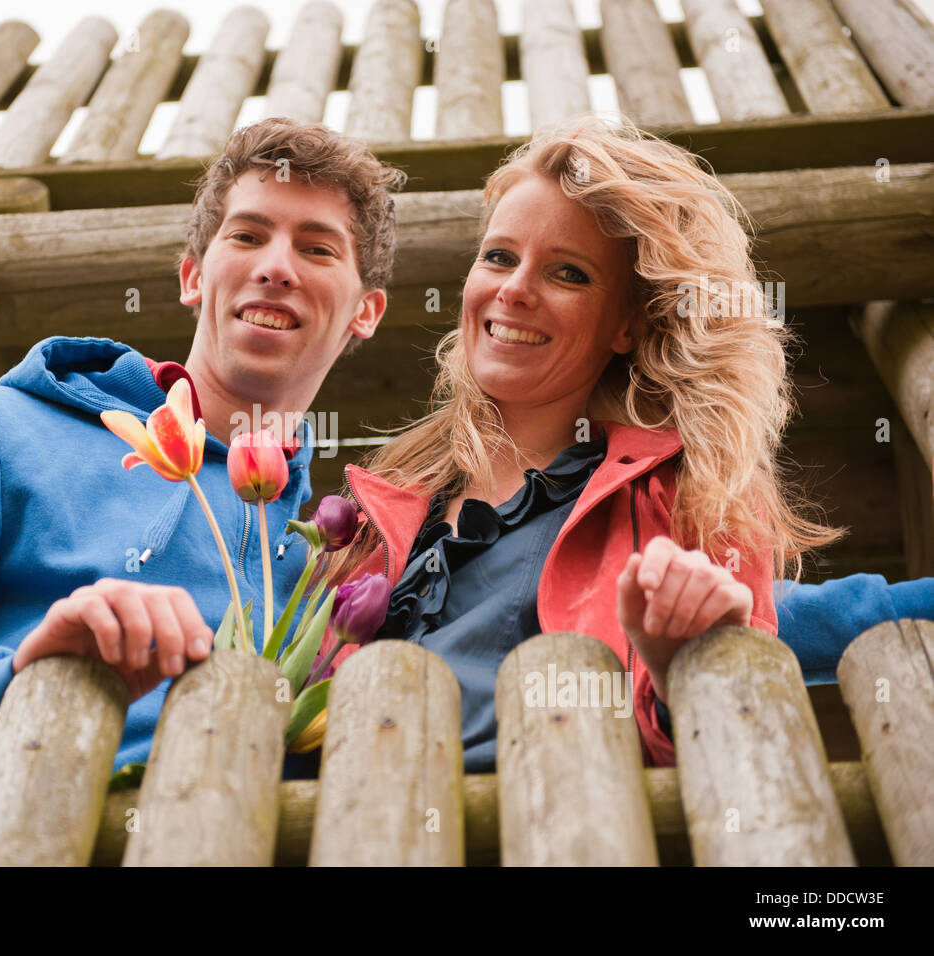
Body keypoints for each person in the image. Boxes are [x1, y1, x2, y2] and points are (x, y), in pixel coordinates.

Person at [0, 118, 406, 793]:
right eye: (247, 235)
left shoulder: (334, 570)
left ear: (366, 313)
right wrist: (21, 678)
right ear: (194, 276)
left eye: (316, 249)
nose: (275, 267)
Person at [316, 115, 851, 770]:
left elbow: (733, 751)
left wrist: (677, 666)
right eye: (499, 257)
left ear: (627, 324)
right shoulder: (380, 500)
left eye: (567, 273)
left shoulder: (692, 504)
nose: (513, 290)